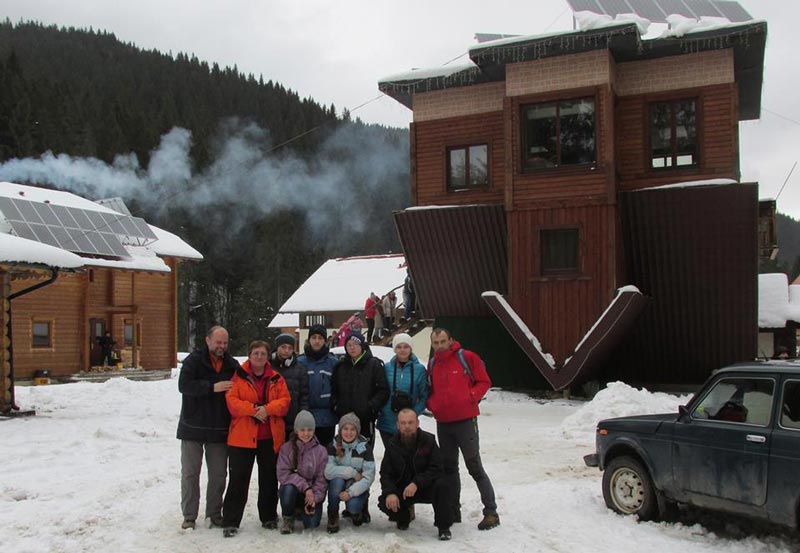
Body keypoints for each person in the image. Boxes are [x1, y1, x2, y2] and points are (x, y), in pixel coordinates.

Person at [427, 327, 500, 530]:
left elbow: (484, 381)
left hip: (465, 422)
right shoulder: (432, 363)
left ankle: (491, 511)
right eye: (436, 343)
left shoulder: (466, 357)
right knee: (449, 469)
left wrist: (471, 397)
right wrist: (433, 405)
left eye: (442, 341)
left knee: (474, 466)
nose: (439, 346)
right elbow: (429, 389)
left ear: (451, 340)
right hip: (443, 423)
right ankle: (453, 508)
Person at [221, 340, 291, 537]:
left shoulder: (277, 378)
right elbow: (232, 402)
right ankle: (231, 521)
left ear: (268, 356)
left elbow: (285, 402)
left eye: (262, 353)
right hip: (242, 438)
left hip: (269, 437)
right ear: (249, 356)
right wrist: (253, 411)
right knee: (238, 480)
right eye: (255, 353)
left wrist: (267, 409)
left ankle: (268, 516)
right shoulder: (239, 376)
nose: (259, 357)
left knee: (269, 479)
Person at [176, 325, 239, 530]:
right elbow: (183, 386)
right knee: (190, 474)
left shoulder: (232, 365)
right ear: (208, 340)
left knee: (219, 475)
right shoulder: (193, 361)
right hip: (192, 426)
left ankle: (214, 513)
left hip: (219, 429)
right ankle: (189, 515)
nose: (222, 346)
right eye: (218, 342)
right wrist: (211, 387)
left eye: (225, 343)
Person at [378, 408, 455, 541]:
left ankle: (443, 527)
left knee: (443, 485)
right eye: (403, 423)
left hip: (426, 486)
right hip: (403, 490)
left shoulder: (429, 440)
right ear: (398, 425)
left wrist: (417, 482)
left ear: (417, 423)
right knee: (384, 502)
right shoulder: (392, 444)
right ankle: (404, 517)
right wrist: (390, 492)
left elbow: (436, 468)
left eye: (410, 422)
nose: (407, 426)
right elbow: (386, 473)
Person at [330, 332, 389, 447]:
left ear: (362, 346)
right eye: (349, 345)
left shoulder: (374, 365)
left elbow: (383, 390)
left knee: (364, 452)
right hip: (345, 420)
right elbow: (334, 389)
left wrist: (371, 407)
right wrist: (336, 405)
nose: (352, 348)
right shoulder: (340, 366)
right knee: (343, 453)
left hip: (365, 419)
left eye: (355, 344)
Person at [276, 410, 328, 534]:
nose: (306, 433)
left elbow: (322, 479)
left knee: (312, 524)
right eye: (302, 430)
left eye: (309, 430)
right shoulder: (287, 448)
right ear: (296, 430)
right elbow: (283, 474)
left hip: (311, 495)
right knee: (287, 488)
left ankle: (302, 511)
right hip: (295, 490)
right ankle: (288, 517)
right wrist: (305, 488)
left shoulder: (321, 451)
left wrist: (314, 498)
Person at [323, 412, 375, 533]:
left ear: (357, 431)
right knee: (336, 482)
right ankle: (333, 514)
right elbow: (328, 471)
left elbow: (368, 477)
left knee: (353, 506)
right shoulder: (333, 446)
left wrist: (350, 493)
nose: (349, 432)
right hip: (342, 480)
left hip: (356, 484)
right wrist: (351, 472)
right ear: (340, 430)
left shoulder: (365, 448)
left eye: (352, 429)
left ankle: (357, 511)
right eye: (345, 428)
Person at [377, 333, 429, 448]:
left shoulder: (419, 369)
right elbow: (380, 391)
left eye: (406, 346)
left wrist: (414, 414)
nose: (402, 350)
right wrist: (381, 410)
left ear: (411, 348)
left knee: (407, 458)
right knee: (391, 457)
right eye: (399, 347)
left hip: (408, 424)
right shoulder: (387, 368)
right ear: (395, 349)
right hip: (387, 421)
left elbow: (424, 396)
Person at [297, 324, 338, 447]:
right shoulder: (299, 362)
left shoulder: (333, 362)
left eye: (320, 338)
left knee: (324, 457)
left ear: (325, 341)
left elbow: (338, 389)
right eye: (313, 337)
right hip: (305, 418)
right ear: (309, 340)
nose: (317, 341)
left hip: (327, 419)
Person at [271, 333, 309, 439]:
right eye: (283, 347)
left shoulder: (300, 369)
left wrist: (302, 416)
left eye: (290, 348)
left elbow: (304, 396)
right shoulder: (268, 367)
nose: (286, 350)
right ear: (277, 348)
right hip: (273, 421)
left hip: (293, 422)